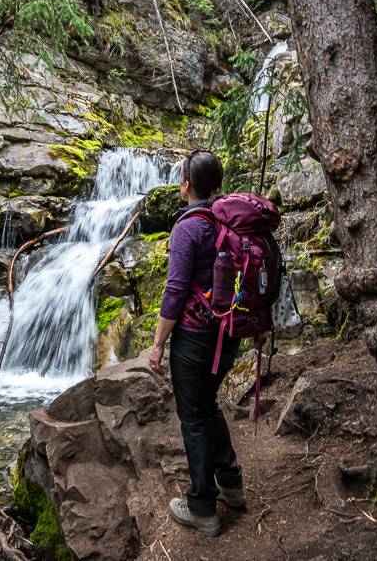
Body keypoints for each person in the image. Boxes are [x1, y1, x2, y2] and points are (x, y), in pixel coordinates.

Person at [148, 150, 246, 537]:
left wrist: (158, 343)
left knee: (193, 417)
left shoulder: (189, 227)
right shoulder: (228, 219)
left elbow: (175, 291)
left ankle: (202, 506)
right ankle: (232, 484)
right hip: (229, 330)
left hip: (195, 336)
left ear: (186, 184)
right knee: (208, 405)